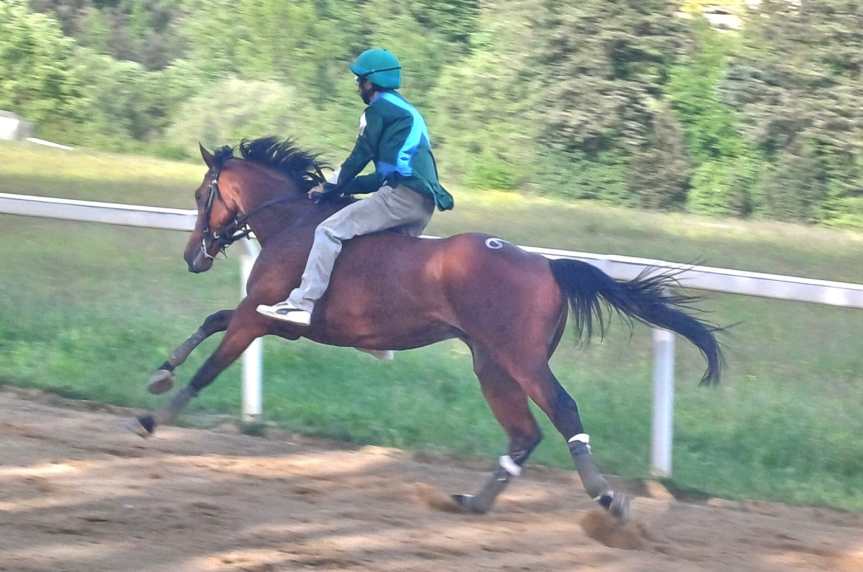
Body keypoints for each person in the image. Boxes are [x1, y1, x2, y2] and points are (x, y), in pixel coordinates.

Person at [256, 48, 453, 326]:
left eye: (359, 80)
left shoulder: (377, 110)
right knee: (376, 258)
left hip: (401, 197)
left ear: (371, 83)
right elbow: (379, 177)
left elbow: (360, 156)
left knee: (328, 231)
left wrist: (331, 186)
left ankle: (301, 303)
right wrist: (339, 189)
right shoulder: (405, 111)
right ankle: (377, 328)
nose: (357, 85)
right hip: (422, 205)